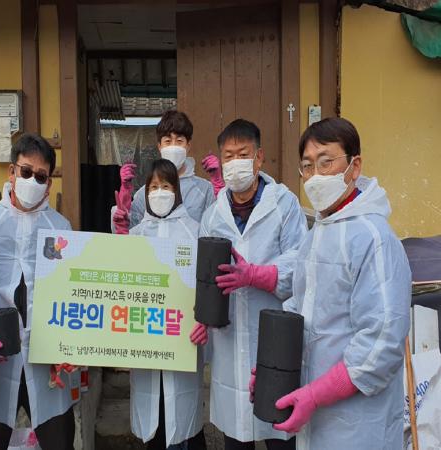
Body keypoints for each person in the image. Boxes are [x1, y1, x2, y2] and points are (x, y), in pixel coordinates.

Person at [267, 117, 411, 449]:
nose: (315, 175)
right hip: (313, 413)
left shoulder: (374, 239)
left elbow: (381, 342)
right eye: (307, 166)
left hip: (357, 423)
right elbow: (299, 308)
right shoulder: (316, 235)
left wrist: (318, 393)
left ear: (354, 166)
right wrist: (272, 367)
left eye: (326, 162)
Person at [0, 133, 78, 450]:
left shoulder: (60, 227)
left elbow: (70, 290)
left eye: (40, 176)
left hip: (46, 356)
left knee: (59, 439)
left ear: (49, 184)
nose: (32, 181)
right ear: (11, 172)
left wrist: (70, 343)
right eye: (26, 171)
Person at [200, 119, 307, 450]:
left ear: (259, 157)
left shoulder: (284, 204)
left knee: (280, 431)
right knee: (236, 436)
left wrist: (256, 275)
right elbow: (203, 275)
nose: (235, 163)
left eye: (243, 154)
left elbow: (301, 265)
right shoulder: (213, 215)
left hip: (275, 338)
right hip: (230, 340)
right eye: (228, 156)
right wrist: (201, 316)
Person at [118, 158, 208, 450]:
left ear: (177, 191)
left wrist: (205, 318)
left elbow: (207, 282)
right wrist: (119, 234)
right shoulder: (136, 233)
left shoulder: (195, 231)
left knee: (184, 419)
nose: (159, 193)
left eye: (166, 186)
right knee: (154, 414)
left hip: (182, 339)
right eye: (153, 187)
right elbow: (118, 278)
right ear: (145, 193)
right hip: (147, 342)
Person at [113, 110, 214, 233]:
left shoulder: (205, 190)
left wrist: (219, 186)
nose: (173, 146)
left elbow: (215, 228)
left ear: (188, 145)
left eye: (179, 141)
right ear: (159, 146)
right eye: (167, 141)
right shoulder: (144, 194)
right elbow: (129, 233)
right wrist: (124, 205)